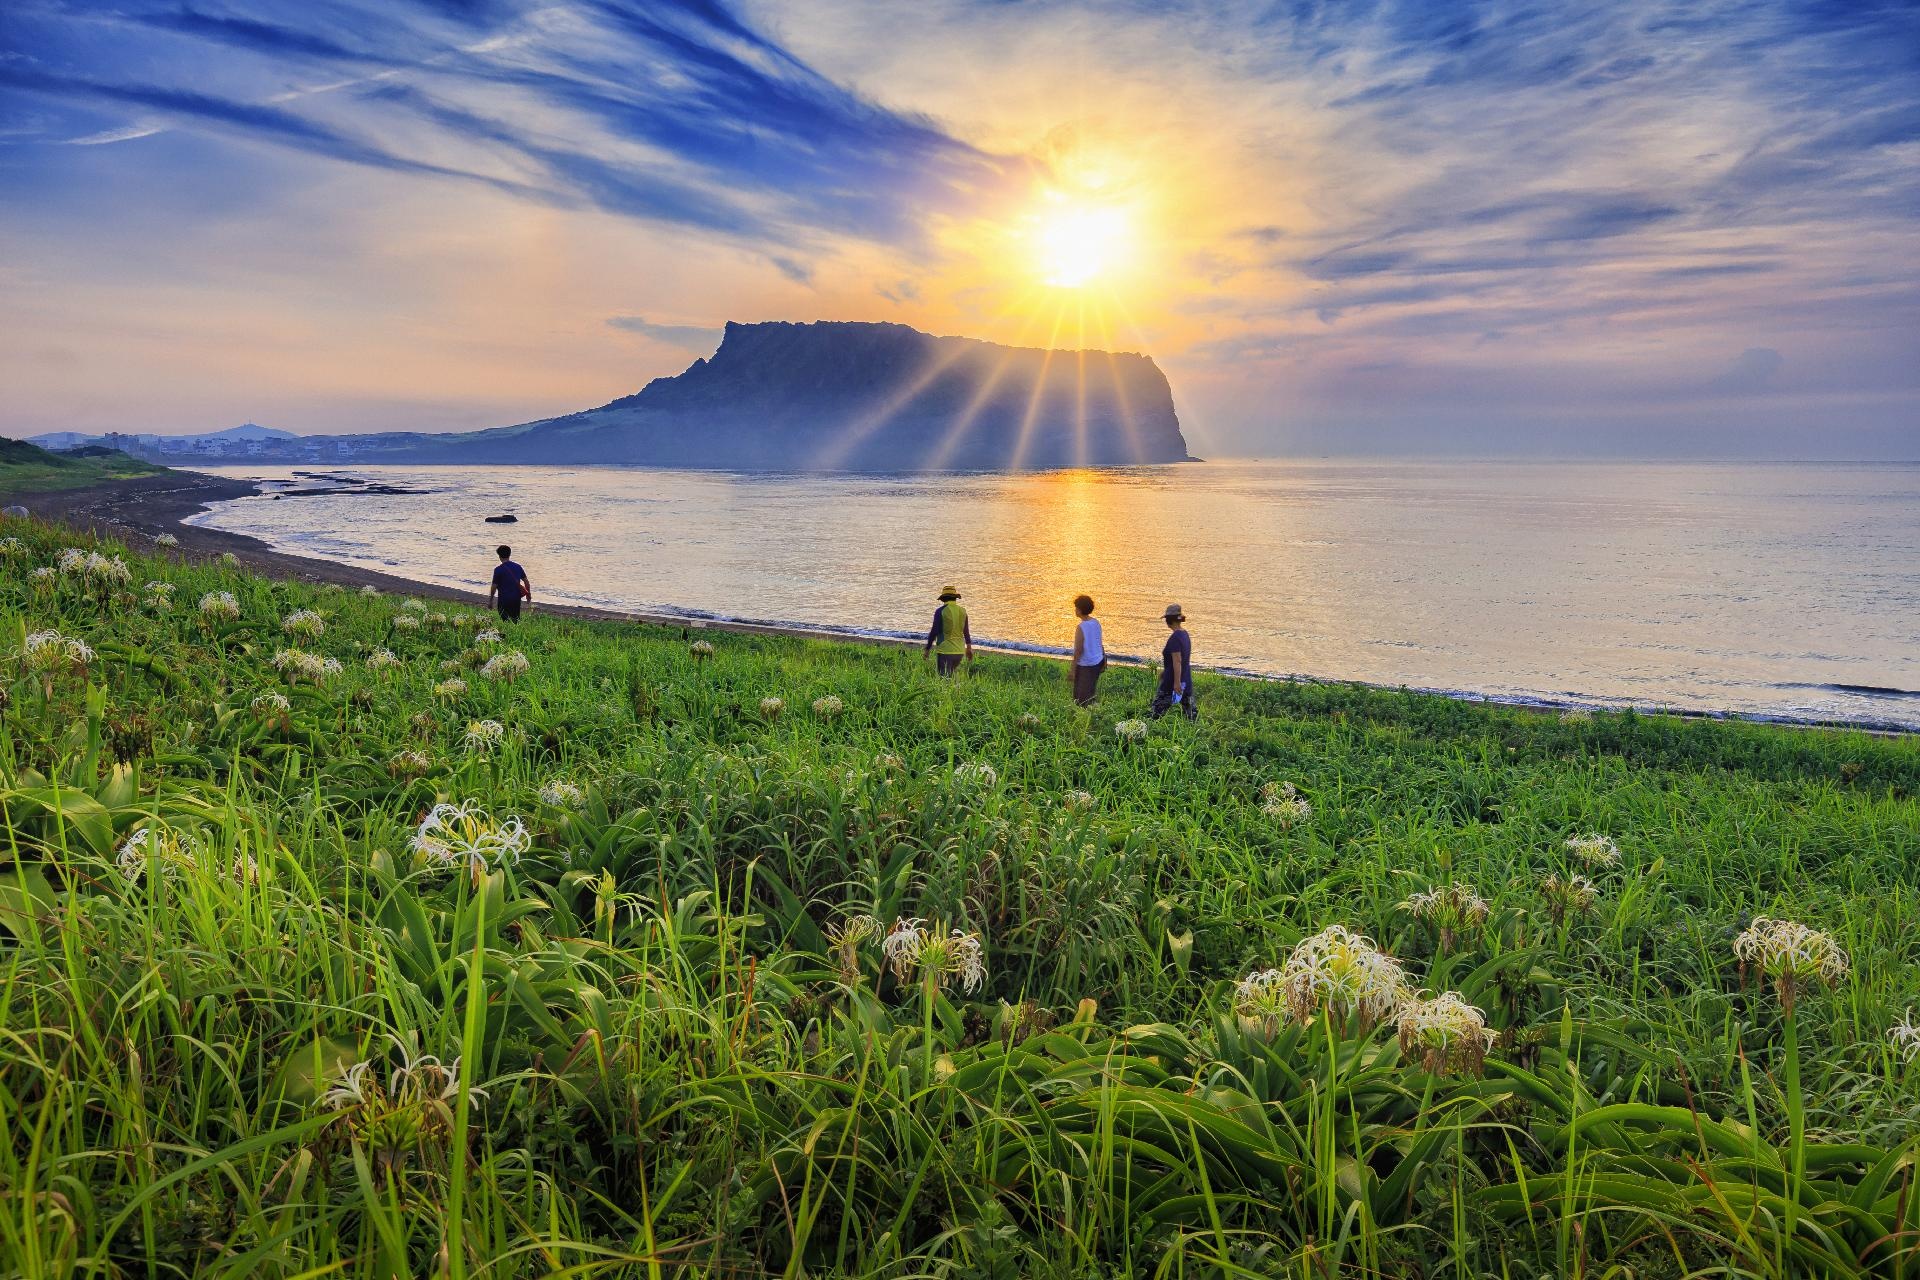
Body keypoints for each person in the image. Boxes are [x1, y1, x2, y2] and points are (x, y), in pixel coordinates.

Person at [1150, 603, 1195, 720]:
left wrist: (1176, 683)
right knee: (1191, 715)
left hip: (1172, 683)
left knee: (1156, 713)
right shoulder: (1184, 634)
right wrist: (1165, 672)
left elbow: (1177, 660)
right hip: (1186, 680)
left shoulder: (1175, 638)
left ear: (1169, 620)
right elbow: (1182, 660)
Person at [923, 584, 972, 677]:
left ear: (943, 599)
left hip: (945, 651)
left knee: (944, 680)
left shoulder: (940, 611)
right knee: (952, 678)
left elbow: (934, 631)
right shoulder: (963, 611)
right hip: (959, 652)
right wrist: (969, 648)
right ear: (955, 598)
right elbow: (966, 632)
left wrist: (927, 649)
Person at [1070, 594, 1106, 705]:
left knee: (1081, 698)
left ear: (1080, 610)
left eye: (1076, 608)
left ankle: (1090, 712)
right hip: (1097, 661)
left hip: (1086, 665)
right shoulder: (1096, 622)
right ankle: (1093, 710)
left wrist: (1072, 670)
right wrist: (1104, 659)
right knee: (1090, 691)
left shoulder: (1081, 627)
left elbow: (1078, 651)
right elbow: (1099, 643)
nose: (1075, 610)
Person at [488, 545, 531, 622]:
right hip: (516, 599)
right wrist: (528, 594)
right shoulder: (518, 567)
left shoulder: (498, 570)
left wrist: (491, 600)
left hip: (504, 599)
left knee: (505, 620)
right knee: (515, 620)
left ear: (499, 556)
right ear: (509, 554)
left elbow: (494, 587)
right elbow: (526, 581)